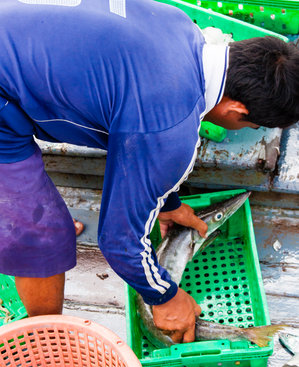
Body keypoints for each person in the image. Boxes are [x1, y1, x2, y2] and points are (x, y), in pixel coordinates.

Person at [0, 0, 298, 344]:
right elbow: (118, 242)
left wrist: (167, 203)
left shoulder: (178, 22)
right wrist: (166, 297)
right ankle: (46, 340)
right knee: (44, 238)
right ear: (236, 110)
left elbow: (137, 132)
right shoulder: (170, 127)